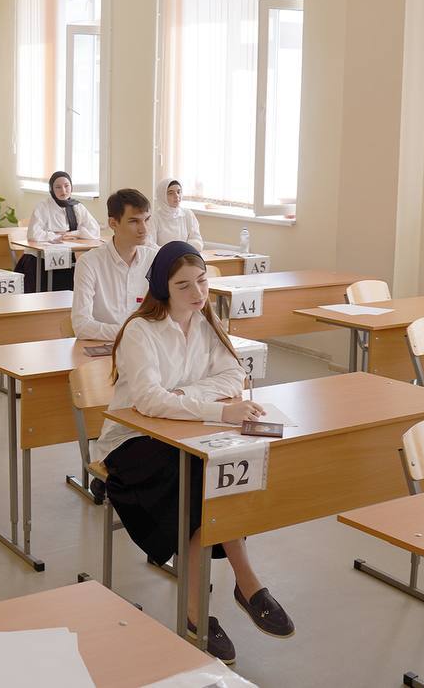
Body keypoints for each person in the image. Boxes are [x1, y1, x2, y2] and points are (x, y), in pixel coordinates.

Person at [91, 241, 294, 663]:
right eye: (183, 285)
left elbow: (234, 375)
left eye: (201, 281)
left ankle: (225, 591)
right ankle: (222, 595)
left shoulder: (205, 322)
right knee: (200, 479)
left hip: (186, 431)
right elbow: (149, 402)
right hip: (132, 442)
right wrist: (216, 409)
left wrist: (184, 395)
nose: (198, 293)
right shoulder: (140, 331)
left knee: (223, 468)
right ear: (162, 289)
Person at [71, 188, 154, 342]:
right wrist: (132, 334)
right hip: (105, 349)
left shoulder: (155, 259)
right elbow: (81, 326)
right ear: (113, 223)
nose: (144, 229)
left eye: (147, 220)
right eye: (134, 221)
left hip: (146, 347)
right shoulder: (89, 263)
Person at [17, 171, 101, 292]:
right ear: (51, 189)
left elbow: (94, 230)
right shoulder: (43, 206)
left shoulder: (77, 206)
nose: (63, 190)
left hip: (67, 256)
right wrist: (55, 236)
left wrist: (73, 233)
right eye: (58, 187)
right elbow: (33, 234)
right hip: (40, 260)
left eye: (67, 186)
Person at [152, 178, 203, 250]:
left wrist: (183, 249)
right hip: (163, 256)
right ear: (162, 195)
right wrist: (172, 252)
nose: (176, 196)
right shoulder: (154, 218)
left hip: (185, 255)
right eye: (171, 193)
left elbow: (197, 241)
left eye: (178, 192)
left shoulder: (188, 214)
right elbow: (150, 245)